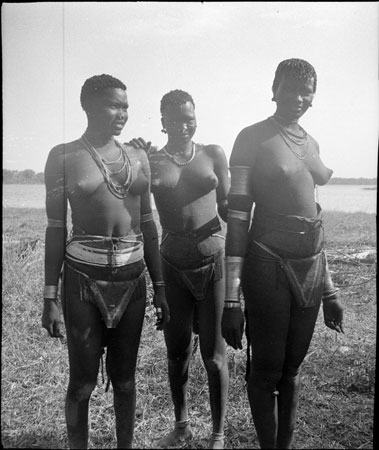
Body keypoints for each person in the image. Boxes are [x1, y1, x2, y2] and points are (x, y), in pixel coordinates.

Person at [41, 74, 170, 449]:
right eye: (114, 105)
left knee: (126, 380)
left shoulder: (137, 156)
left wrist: (160, 288)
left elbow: (148, 224)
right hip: (83, 277)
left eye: (126, 106)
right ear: (88, 106)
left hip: (133, 277)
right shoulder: (63, 157)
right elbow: (54, 228)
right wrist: (50, 298)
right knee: (82, 383)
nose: (122, 114)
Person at [221, 59, 344, 449]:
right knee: (267, 371)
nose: (298, 98)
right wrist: (231, 299)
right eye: (290, 88)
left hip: (311, 267)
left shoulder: (312, 142)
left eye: (306, 91)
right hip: (267, 265)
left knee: (291, 370)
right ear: (273, 88)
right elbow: (238, 218)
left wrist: (330, 292)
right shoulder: (251, 138)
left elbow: (316, 221)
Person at [129, 89, 229, 448]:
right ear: (163, 123)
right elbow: (127, 182)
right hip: (172, 263)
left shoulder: (214, 154)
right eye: (175, 120)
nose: (183, 126)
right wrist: (132, 148)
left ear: (196, 117)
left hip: (213, 259)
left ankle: (218, 433)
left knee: (214, 356)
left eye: (189, 118)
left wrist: (238, 277)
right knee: (176, 351)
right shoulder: (151, 159)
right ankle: (182, 425)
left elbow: (231, 208)